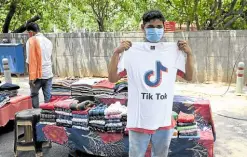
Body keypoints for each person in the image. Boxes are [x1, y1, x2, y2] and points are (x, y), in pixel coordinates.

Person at [108, 10, 194, 157]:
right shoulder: (131, 51)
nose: (155, 30)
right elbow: (112, 78)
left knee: (161, 154)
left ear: (164, 28)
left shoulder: (172, 51)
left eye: (159, 26)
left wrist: (189, 54)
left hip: (163, 118)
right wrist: (116, 53)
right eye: (151, 26)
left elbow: (189, 76)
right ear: (143, 28)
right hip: (139, 119)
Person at [26, 22, 53, 108]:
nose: (28, 35)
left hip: (36, 76)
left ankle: (36, 116)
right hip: (48, 74)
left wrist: (30, 78)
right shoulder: (48, 42)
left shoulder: (30, 41)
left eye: (28, 33)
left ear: (31, 32)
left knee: (34, 95)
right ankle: (48, 117)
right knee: (48, 98)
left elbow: (29, 61)